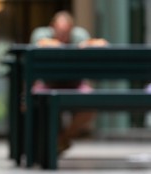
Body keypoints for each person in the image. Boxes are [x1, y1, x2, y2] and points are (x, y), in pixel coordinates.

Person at [30, 10, 108, 153]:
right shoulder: (41, 35)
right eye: (59, 31)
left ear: (71, 29)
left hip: (75, 84)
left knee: (91, 102)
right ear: (52, 27)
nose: (62, 35)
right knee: (32, 101)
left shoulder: (80, 36)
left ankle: (63, 138)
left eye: (65, 32)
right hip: (48, 84)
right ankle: (46, 142)